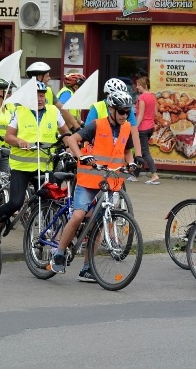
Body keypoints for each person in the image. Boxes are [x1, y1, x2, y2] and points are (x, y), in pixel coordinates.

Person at [51, 90, 138, 281]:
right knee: (79, 215)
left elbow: (127, 150)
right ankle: (59, 252)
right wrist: (81, 156)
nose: (125, 115)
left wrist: (130, 163)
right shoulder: (96, 125)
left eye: (127, 111)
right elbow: (72, 140)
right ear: (111, 109)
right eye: (122, 111)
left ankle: (87, 267)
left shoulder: (126, 128)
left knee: (99, 223)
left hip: (110, 182)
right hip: (88, 181)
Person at [0, 81, 71, 235]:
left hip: (45, 166)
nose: (40, 99)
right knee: (16, 202)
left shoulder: (53, 111)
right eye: (36, 96)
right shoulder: (20, 111)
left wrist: (71, 149)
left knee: (51, 200)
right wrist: (20, 141)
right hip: (22, 167)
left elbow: (66, 134)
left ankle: (47, 233)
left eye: (42, 95)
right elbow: (8, 136)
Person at [85, 77, 143, 159]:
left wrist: (138, 155)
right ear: (108, 94)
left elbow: (134, 132)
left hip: (120, 155)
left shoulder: (125, 108)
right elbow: (87, 133)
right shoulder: (97, 107)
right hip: (98, 156)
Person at [25, 62, 81, 131]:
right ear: (40, 77)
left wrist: (77, 127)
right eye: (47, 76)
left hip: (49, 131)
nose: (49, 78)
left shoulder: (48, 90)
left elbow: (63, 110)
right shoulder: (25, 94)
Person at [129, 75, 160, 184]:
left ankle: (154, 174)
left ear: (144, 86)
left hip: (142, 128)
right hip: (150, 127)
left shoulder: (142, 97)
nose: (137, 87)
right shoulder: (152, 96)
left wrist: (134, 128)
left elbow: (140, 114)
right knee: (140, 150)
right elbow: (156, 113)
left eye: (138, 85)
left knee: (145, 152)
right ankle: (135, 175)